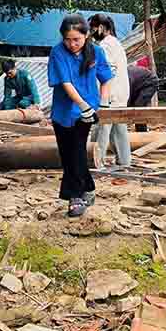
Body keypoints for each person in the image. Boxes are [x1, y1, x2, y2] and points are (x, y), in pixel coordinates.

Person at [47, 14, 113, 217]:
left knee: (76, 151)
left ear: (86, 35)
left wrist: (101, 104)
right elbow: (66, 83)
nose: (72, 44)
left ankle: (75, 197)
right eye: (67, 39)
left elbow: (106, 79)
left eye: (76, 39)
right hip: (63, 111)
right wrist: (83, 105)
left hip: (86, 113)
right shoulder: (58, 52)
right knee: (67, 155)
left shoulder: (96, 52)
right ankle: (89, 188)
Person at [88, 14, 131, 168]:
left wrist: (101, 96)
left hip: (110, 94)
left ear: (100, 27)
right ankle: (124, 161)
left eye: (92, 29)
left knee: (102, 129)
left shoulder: (105, 46)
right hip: (120, 93)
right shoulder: (115, 43)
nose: (91, 33)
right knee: (119, 130)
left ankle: (95, 160)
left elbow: (107, 73)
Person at [128, 63, 160, 132]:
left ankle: (142, 132)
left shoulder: (127, 77)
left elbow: (128, 94)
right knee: (135, 106)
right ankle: (140, 129)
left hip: (150, 82)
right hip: (139, 85)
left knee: (138, 106)